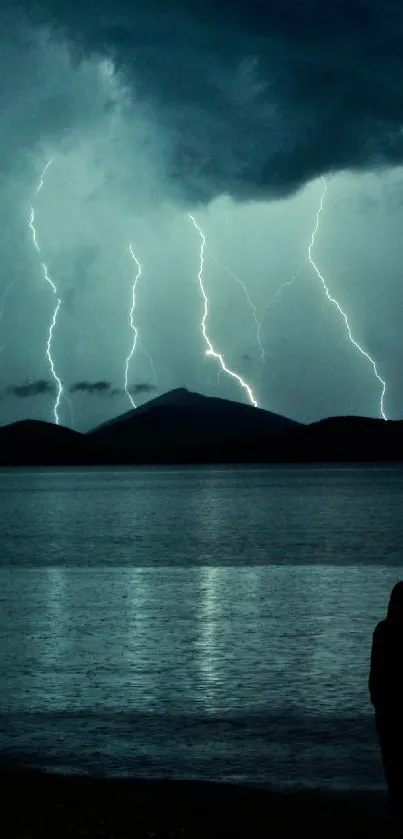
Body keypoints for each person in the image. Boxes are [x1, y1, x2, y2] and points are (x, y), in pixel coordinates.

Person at [369, 581, 403, 832]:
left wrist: (379, 702)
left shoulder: (383, 631)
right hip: (391, 710)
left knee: (393, 767)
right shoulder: (384, 632)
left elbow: (375, 676)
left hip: (387, 712)